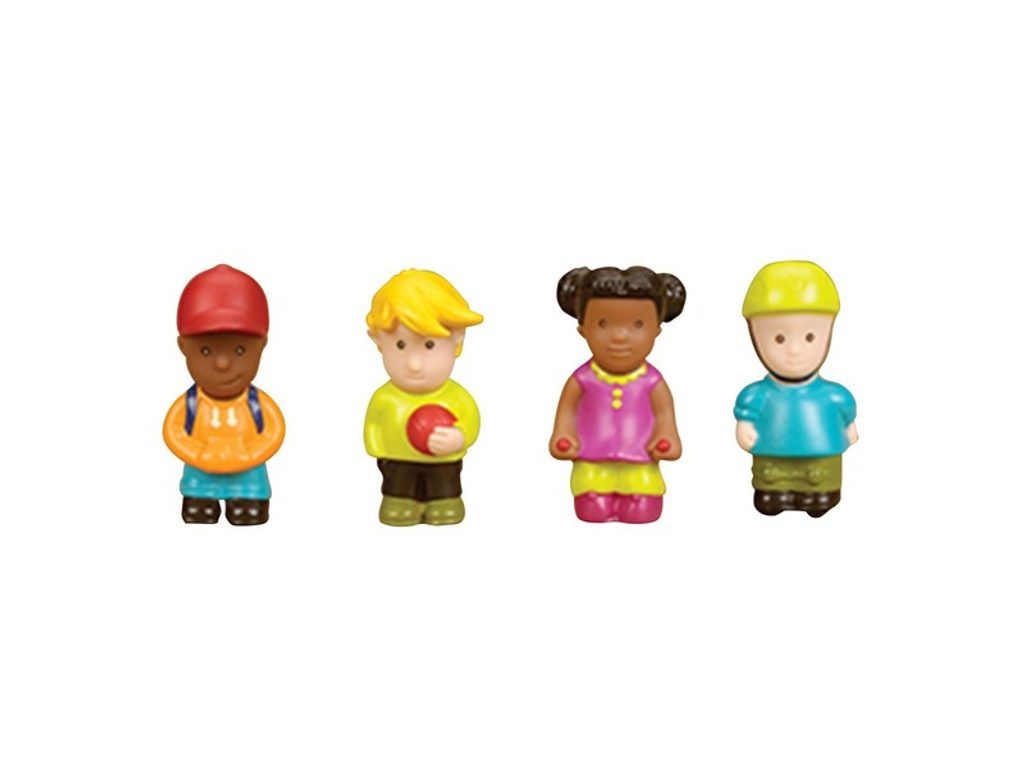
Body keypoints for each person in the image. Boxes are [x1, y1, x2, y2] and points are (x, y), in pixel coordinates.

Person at [549, 266, 686, 523]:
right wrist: (564, 434)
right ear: (583, 329)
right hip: (591, 456)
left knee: (642, 508)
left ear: (656, 330)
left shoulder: (652, 381)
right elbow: (567, 410)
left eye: (638, 325)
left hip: (640, 457)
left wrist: (666, 435)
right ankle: (595, 496)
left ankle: (638, 496)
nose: (620, 336)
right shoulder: (582, 379)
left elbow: (664, 413)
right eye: (603, 324)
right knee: (592, 507)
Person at [163, 264, 285, 525]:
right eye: (205, 351)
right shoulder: (190, 405)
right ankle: (201, 499)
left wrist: (249, 454)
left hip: (249, 481)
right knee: (198, 513)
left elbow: (273, 432)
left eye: (240, 351)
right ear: (184, 347)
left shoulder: (257, 405)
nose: (222, 364)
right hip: (200, 479)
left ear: (261, 346)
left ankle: (247, 500)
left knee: (249, 514)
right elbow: (174, 432)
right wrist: (199, 454)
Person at [734, 260, 858, 517]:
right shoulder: (758, 394)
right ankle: (773, 491)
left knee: (819, 482)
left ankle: (818, 492)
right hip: (772, 455)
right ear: (754, 333)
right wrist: (744, 426)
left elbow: (847, 412)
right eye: (779, 338)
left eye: (809, 337)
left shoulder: (832, 395)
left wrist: (849, 427)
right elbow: (747, 413)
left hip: (821, 455)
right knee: (770, 483)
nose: (794, 350)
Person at [364, 269, 483, 526]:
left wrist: (459, 437)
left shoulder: (456, 397)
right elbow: (373, 424)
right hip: (398, 461)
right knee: (398, 485)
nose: (414, 364)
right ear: (379, 341)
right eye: (400, 345)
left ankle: (445, 501)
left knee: (444, 483)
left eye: (429, 345)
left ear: (457, 339)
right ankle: (399, 502)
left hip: (443, 462)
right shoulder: (385, 397)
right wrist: (379, 450)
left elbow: (470, 422)